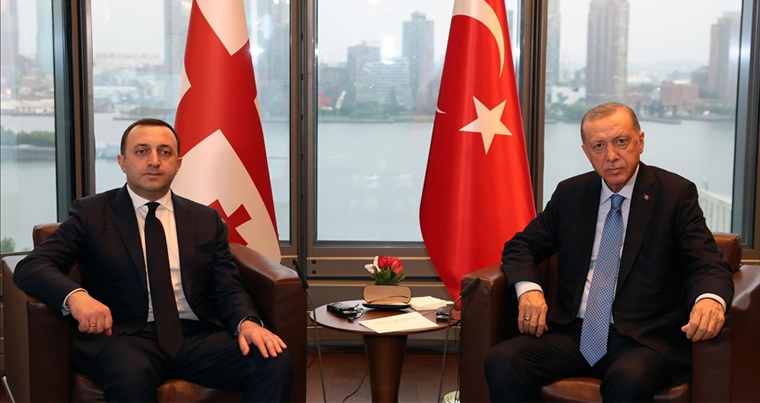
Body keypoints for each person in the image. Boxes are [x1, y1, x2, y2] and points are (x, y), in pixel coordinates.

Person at [13, 118, 293, 402]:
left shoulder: (205, 219)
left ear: (178, 164)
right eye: (142, 151)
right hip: (123, 337)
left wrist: (247, 323)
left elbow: (227, 287)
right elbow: (33, 266)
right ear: (123, 162)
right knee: (130, 375)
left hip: (196, 335)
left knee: (272, 360)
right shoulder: (91, 213)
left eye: (165, 152)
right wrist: (76, 297)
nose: (154, 161)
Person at [484, 103, 734, 402]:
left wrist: (710, 300)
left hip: (642, 340)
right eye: (599, 146)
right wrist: (529, 290)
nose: (611, 156)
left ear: (640, 141)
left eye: (621, 141)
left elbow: (707, 264)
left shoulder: (675, 194)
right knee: (503, 360)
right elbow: (521, 245)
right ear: (586, 152)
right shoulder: (571, 194)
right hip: (574, 332)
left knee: (627, 380)